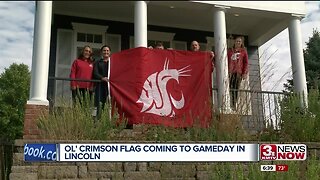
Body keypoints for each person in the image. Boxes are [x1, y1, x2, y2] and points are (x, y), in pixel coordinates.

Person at [227, 36, 249, 109]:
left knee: (235, 88)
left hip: (238, 72)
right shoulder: (230, 51)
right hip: (230, 72)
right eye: (237, 41)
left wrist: (244, 73)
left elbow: (246, 62)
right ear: (234, 42)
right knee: (229, 88)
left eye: (240, 41)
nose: (238, 42)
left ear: (241, 43)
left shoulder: (243, 51)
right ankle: (228, 103)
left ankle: (233, 105)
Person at [93, 45, 111, 119]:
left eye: (107, 50)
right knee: (100, 103)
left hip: (110, 86)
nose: (106, 52)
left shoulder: (112, 62)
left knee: (111, 103)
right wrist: (102, 78)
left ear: (110, 52)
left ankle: (110, 120)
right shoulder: (98, 62)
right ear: (101, 52)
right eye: (104, 50)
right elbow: (95, 73)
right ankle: (98, 119)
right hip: (100, 85)